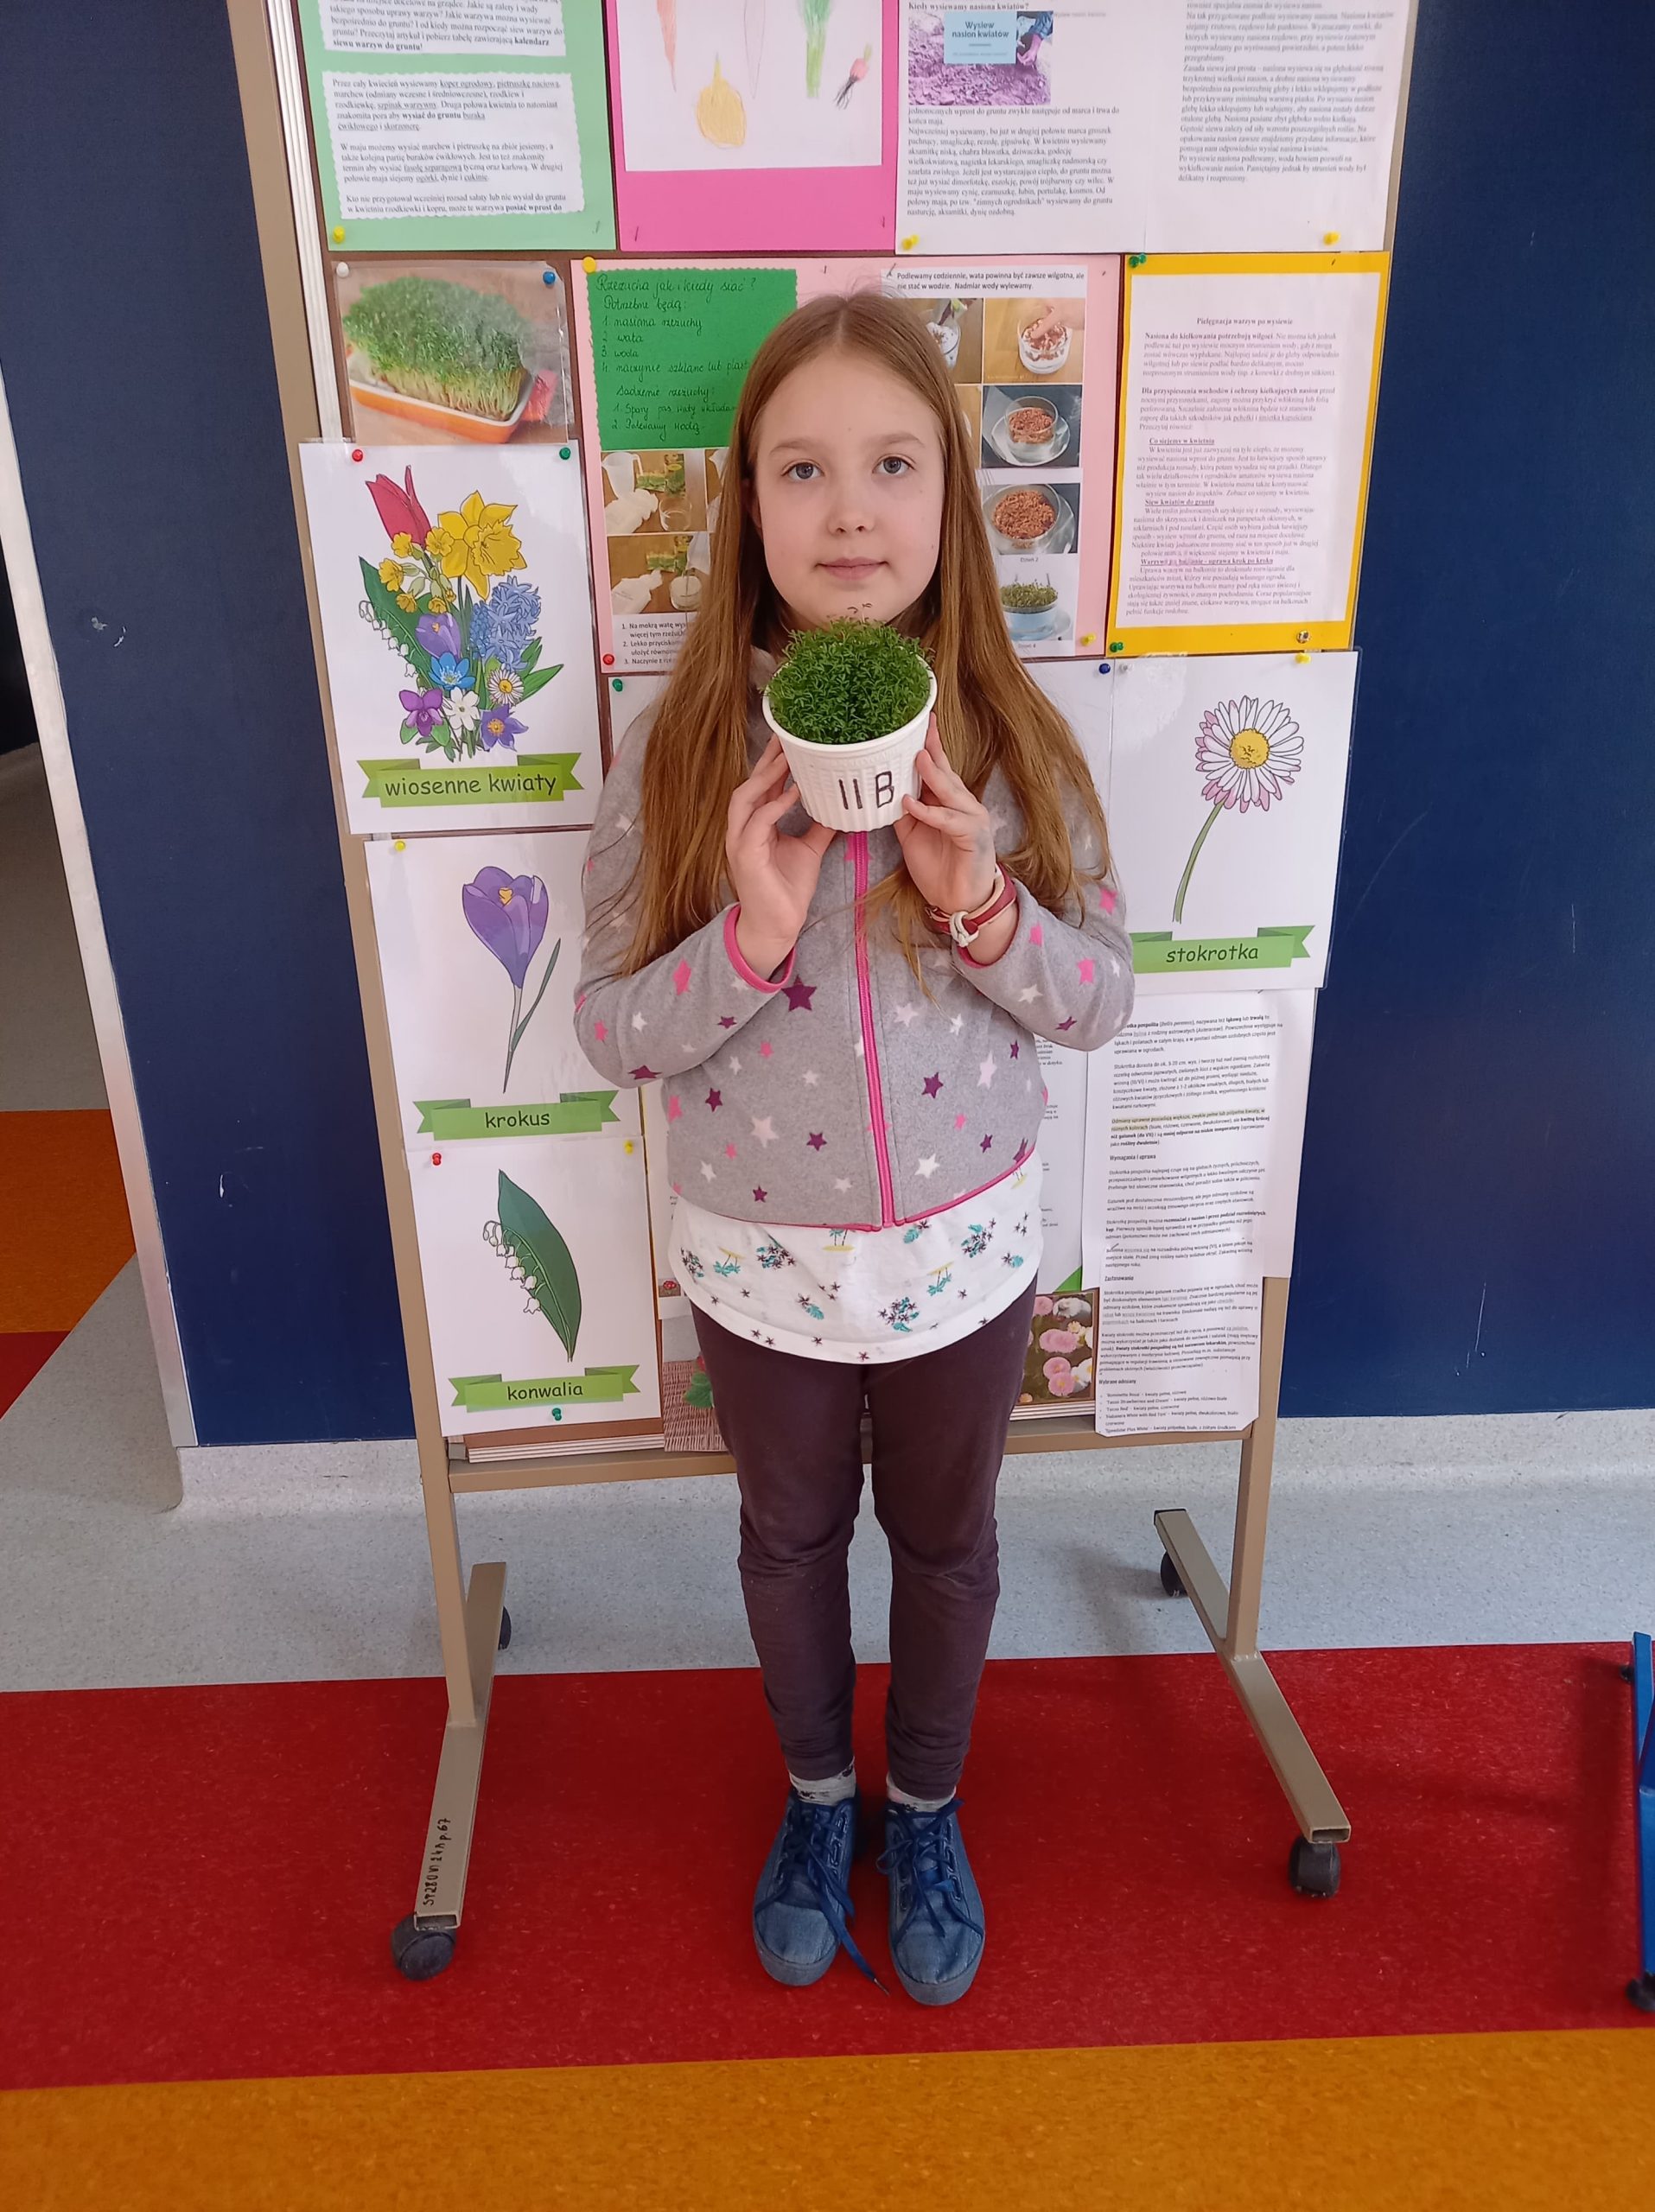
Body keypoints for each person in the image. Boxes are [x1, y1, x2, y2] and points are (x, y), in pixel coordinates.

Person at [576, 293, 1133, 2007]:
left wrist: (980, 905)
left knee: (950, 1546)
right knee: (789, 1540)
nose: (848, 512)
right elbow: (610, 1030)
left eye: (893, 465)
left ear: (951, 493)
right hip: (762, 1265)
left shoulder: (1014, 744)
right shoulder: (683, 753)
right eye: (801, 469)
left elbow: (1100, 999)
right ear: (746, 501)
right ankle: (822, 1798)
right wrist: (749, 936)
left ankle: (929, 1807)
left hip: (968, 1256)